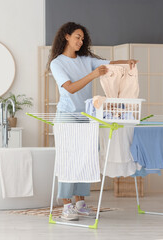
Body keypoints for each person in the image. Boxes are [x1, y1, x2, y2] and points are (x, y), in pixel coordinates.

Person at [47, 22, 137, 221]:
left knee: (86, 158)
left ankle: (79, 202)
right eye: (77, 37)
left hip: (87, 116)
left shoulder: (86, 60)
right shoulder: (57, 63)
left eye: (82, 38)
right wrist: (93, 75)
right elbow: (69, 88)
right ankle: (66, 205)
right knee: (68, 160)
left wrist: (127, 61)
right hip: (68, 116)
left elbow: (110, 63)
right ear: (66, 37)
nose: (81, 41)